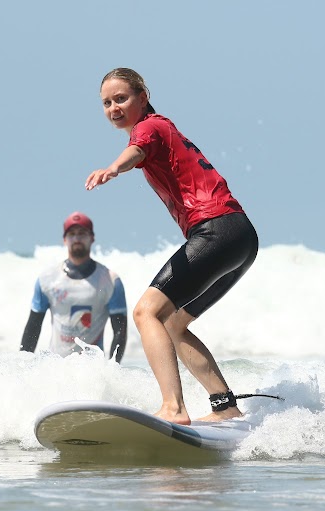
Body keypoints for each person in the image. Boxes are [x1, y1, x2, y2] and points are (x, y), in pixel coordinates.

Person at [85, 68, 258, 425]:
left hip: (216, 230)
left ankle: (173, 408)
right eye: (106, 103)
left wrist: (114, 168)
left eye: (121, 98)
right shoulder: (161, 128)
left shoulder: (149, 127)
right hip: (239, 237)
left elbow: (135, 152)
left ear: (143, 96)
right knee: (175, 324)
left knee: (147, 313)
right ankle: (225, 407)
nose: (114, 107)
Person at [20, 211, 128, 362]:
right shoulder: (47, 279)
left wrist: (112, 369)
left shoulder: (109, 280)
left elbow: (120, 331)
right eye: (72, 234)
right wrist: (23, 368)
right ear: (65, 239)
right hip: (55, 368)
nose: (77, 238)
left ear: (92, 238)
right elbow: (33, 327)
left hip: (92, 371)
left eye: (82, 233)